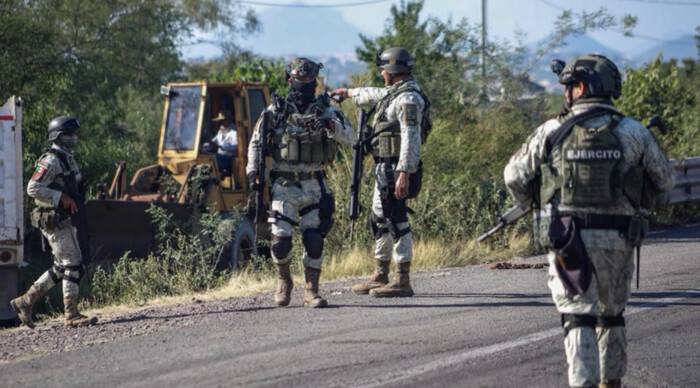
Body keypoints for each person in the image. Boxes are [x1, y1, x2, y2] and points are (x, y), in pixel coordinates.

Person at [503, 54, 675, 388]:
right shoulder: (634, 131)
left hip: (570, 241)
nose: (565, 93)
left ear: (581, 87)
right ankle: (611, 383)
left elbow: (514, 176)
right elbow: (666, 181)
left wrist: (534, 205)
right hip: (619, 240)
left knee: (578, 314)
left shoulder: (552, 131)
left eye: (568, 86)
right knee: (611, 315)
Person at [246, 58, 354, 308]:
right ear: (289, 80)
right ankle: (284, 281)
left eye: (309, 79)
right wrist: (254, 175)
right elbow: (256, 143)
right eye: (300, 79)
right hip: (284, 186)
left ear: (315, 80)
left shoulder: (326, 109)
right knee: (280, 242)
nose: (305, 83)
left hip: (315, 187)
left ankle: (311, 290)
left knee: (314, 240)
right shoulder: (275, 111)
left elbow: (351, 136)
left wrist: (330, 125)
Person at [331, 47, 429, 298]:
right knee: (378, 218)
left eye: (384, 69)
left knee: (397, 219)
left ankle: (402, 279)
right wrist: (349, 93)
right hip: (383, 167)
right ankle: (381, 272)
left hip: (397, 167)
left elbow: (411, 139)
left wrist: (404, 172)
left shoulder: (408, 100)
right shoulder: (395, 93)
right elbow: (375, 94)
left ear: (392, 72)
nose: (382, 73)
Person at [11, 116, 97, 328]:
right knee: (73, 263)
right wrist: (61, 198)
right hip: (55, 221)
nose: (74, 138)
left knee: (61, 267)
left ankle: (25, 301)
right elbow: (33, 188)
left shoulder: (67, 157)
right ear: (58, 136)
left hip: (65, 219)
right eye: (70, 134)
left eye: (75, 134)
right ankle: (71, 314)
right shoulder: (51, 160)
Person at [211, 109, 238, 173]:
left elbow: (236, 147)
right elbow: (213, 141)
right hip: (221, 157)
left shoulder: (234, 131)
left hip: (230, 159)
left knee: (214, 159)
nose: (221, 123)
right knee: (207, 156)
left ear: (229, 120)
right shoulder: (220, 132)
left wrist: (221, 147)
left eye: (223, 120)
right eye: (220, 121)